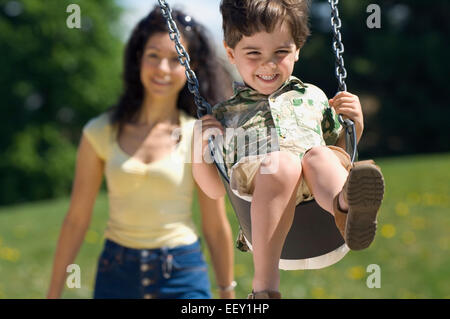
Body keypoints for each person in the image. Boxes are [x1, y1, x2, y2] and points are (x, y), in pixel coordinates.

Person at [192, 0, 385, 299]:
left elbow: (341, 150)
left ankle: (347, 207)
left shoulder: (314, 96)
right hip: (261, 192)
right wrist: (198, 147)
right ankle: (264, 289)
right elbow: (216, 190)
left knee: (321, 155)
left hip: (317, 192)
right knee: (281, 164)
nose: (268, 64)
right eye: (254, 53)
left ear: (297, 49)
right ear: (231, 54)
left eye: (280, 52)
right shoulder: (224, 115)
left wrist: (355, 127)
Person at [47, 6, 236, 299]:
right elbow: (76, 219)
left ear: (192, 66)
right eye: (153, 56)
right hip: (116, 273)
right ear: (138, 58)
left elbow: (214, 225)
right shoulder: (100, 131)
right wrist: (53, 293)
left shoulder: (197, 135)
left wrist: (227, 294)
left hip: (182, 272)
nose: (162, 68)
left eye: (176, 60)